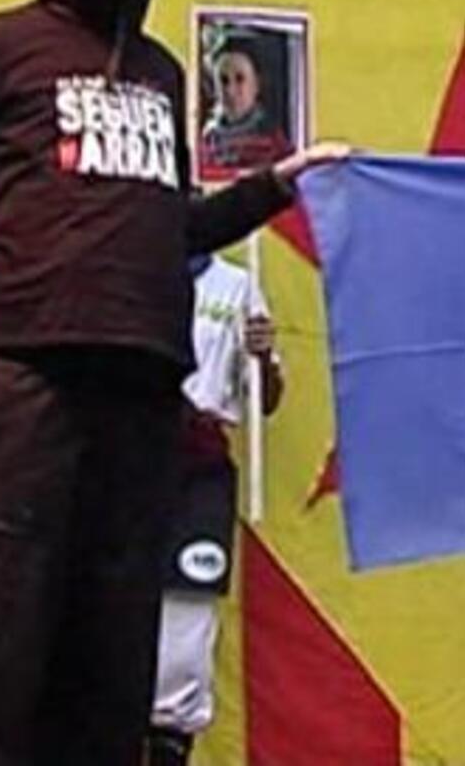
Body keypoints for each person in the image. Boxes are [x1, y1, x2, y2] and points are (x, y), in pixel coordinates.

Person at [0, 0, 346, 764]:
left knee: (112, 659)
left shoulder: (162, 74)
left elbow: (158, 228)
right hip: (27, 385)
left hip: (142, 402)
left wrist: (271, 188)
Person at [146, 254, 283, 766]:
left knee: (183, 629)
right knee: (108, 611)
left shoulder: (238, 284)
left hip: (197, 468)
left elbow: (264, 399)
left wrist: (262, 358)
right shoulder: (125, 263)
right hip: (127, 461)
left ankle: (170, 747)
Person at [201, 41, 287, 171]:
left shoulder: (274, 140)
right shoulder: (206, 139)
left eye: (240, 79)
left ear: (256, 84)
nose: (230, 90)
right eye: (223, 80)